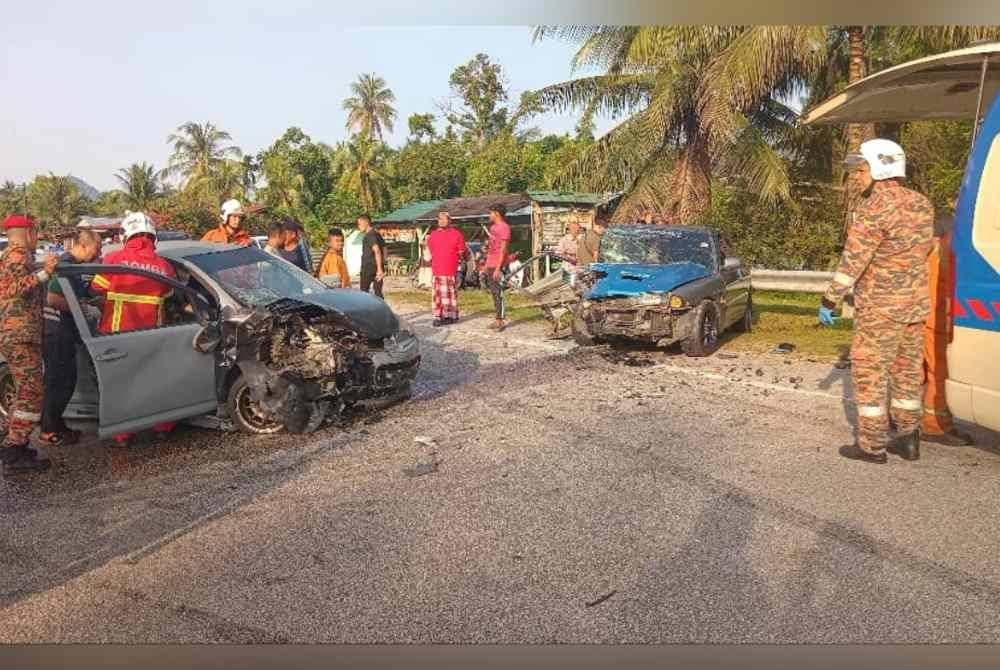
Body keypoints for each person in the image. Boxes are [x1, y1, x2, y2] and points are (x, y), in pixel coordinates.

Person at [819, 139, 934, 465]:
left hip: (880, 309)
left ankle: (871, 446)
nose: (857, 177)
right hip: (914, 306)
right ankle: (909, 439)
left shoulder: (873, 209)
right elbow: (924, 249)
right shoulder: (922, 204)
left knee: (870, 373)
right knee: (907, 373)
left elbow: (853, 261)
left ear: (879, 168)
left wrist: (829, 300)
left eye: (861, 170)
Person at [90, 212, 178, 448]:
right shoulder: (164, 266)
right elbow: (170, 294)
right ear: (153, 236)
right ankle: (162, 427)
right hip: (153, 334)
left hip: (118, 334)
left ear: (126, 234)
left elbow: (96, 288)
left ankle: (123, 435)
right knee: (155, 380)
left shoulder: (113, 259)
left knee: (121, 384)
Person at [0, 215, 59, 475]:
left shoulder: (14, 255)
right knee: (31, 394)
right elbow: (13, 289)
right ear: (27, 232)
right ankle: (13, 451)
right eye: (35, 232)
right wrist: (45, 272)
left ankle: (16, 444)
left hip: (19, 334)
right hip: (20, 335)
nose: (37, 236)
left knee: (25, 392)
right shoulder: (17, 255)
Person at [38, 229, 103, 447]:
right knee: (60, 382)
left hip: (64, 330)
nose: (99, 253)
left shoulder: (76, 267)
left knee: (64, 380)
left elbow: (77, 294)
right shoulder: (65, 265)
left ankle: (56, 424)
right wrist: (82, 309)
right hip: (56, 331)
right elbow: (54, 299)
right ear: (83, 245)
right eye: (96, 248)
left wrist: (90, 302)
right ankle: (48, 430)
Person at [921, 197, 974, 446]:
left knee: (920, 372)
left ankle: (904, 418)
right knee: (938, 374)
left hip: (933, 319)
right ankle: (934, 426)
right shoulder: (947, 249)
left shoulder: (936, 250)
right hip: (937, 322)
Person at [426, 212, 466, 327]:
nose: (442, 221)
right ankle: (438, 316)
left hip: (450, 269)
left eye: (444, 219)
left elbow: (462, 252)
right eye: (440, 219)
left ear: (450, 221)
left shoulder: (457, 234)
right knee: (437, 295)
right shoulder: (433, 235)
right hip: (437, 269)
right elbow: (431, 251)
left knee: (450, 294)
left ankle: (450, 315)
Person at [484, 203, 512, 331]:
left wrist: (498, 267)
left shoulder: (504, 227)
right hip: (491, 263)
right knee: (494, 292)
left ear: (497, 213)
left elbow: (503, 249)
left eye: (491, 212)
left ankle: (501, 320)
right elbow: (491, 248)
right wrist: (487, 264)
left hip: (499, 264)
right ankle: (497, 319)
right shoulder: (493, 228)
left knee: (499, 292)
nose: (489, 215)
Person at [357, 214, 386, 298]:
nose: (358, 226)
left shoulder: (369, 235)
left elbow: (377, 250)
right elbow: (384, 248)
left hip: (368, 268)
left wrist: (379, 269)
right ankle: (380, 306)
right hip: (376, 267)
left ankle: (365, 306)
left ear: (366, 223)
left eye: (359, 224)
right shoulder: (377, 233)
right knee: (378, 291)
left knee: (363, 292)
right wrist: (383, 264)